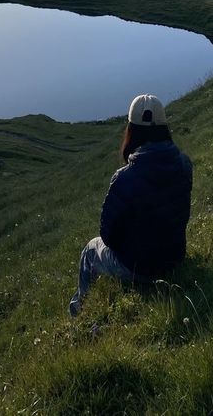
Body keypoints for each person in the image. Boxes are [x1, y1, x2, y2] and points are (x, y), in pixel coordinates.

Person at [69, 93, 193, 317]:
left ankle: (79, 311)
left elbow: (108, 235)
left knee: (90, 249)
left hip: (140, 268)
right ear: (164, 127)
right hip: (175, 257)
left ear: (131, 131)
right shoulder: (184, 164)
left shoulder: (124, 177)